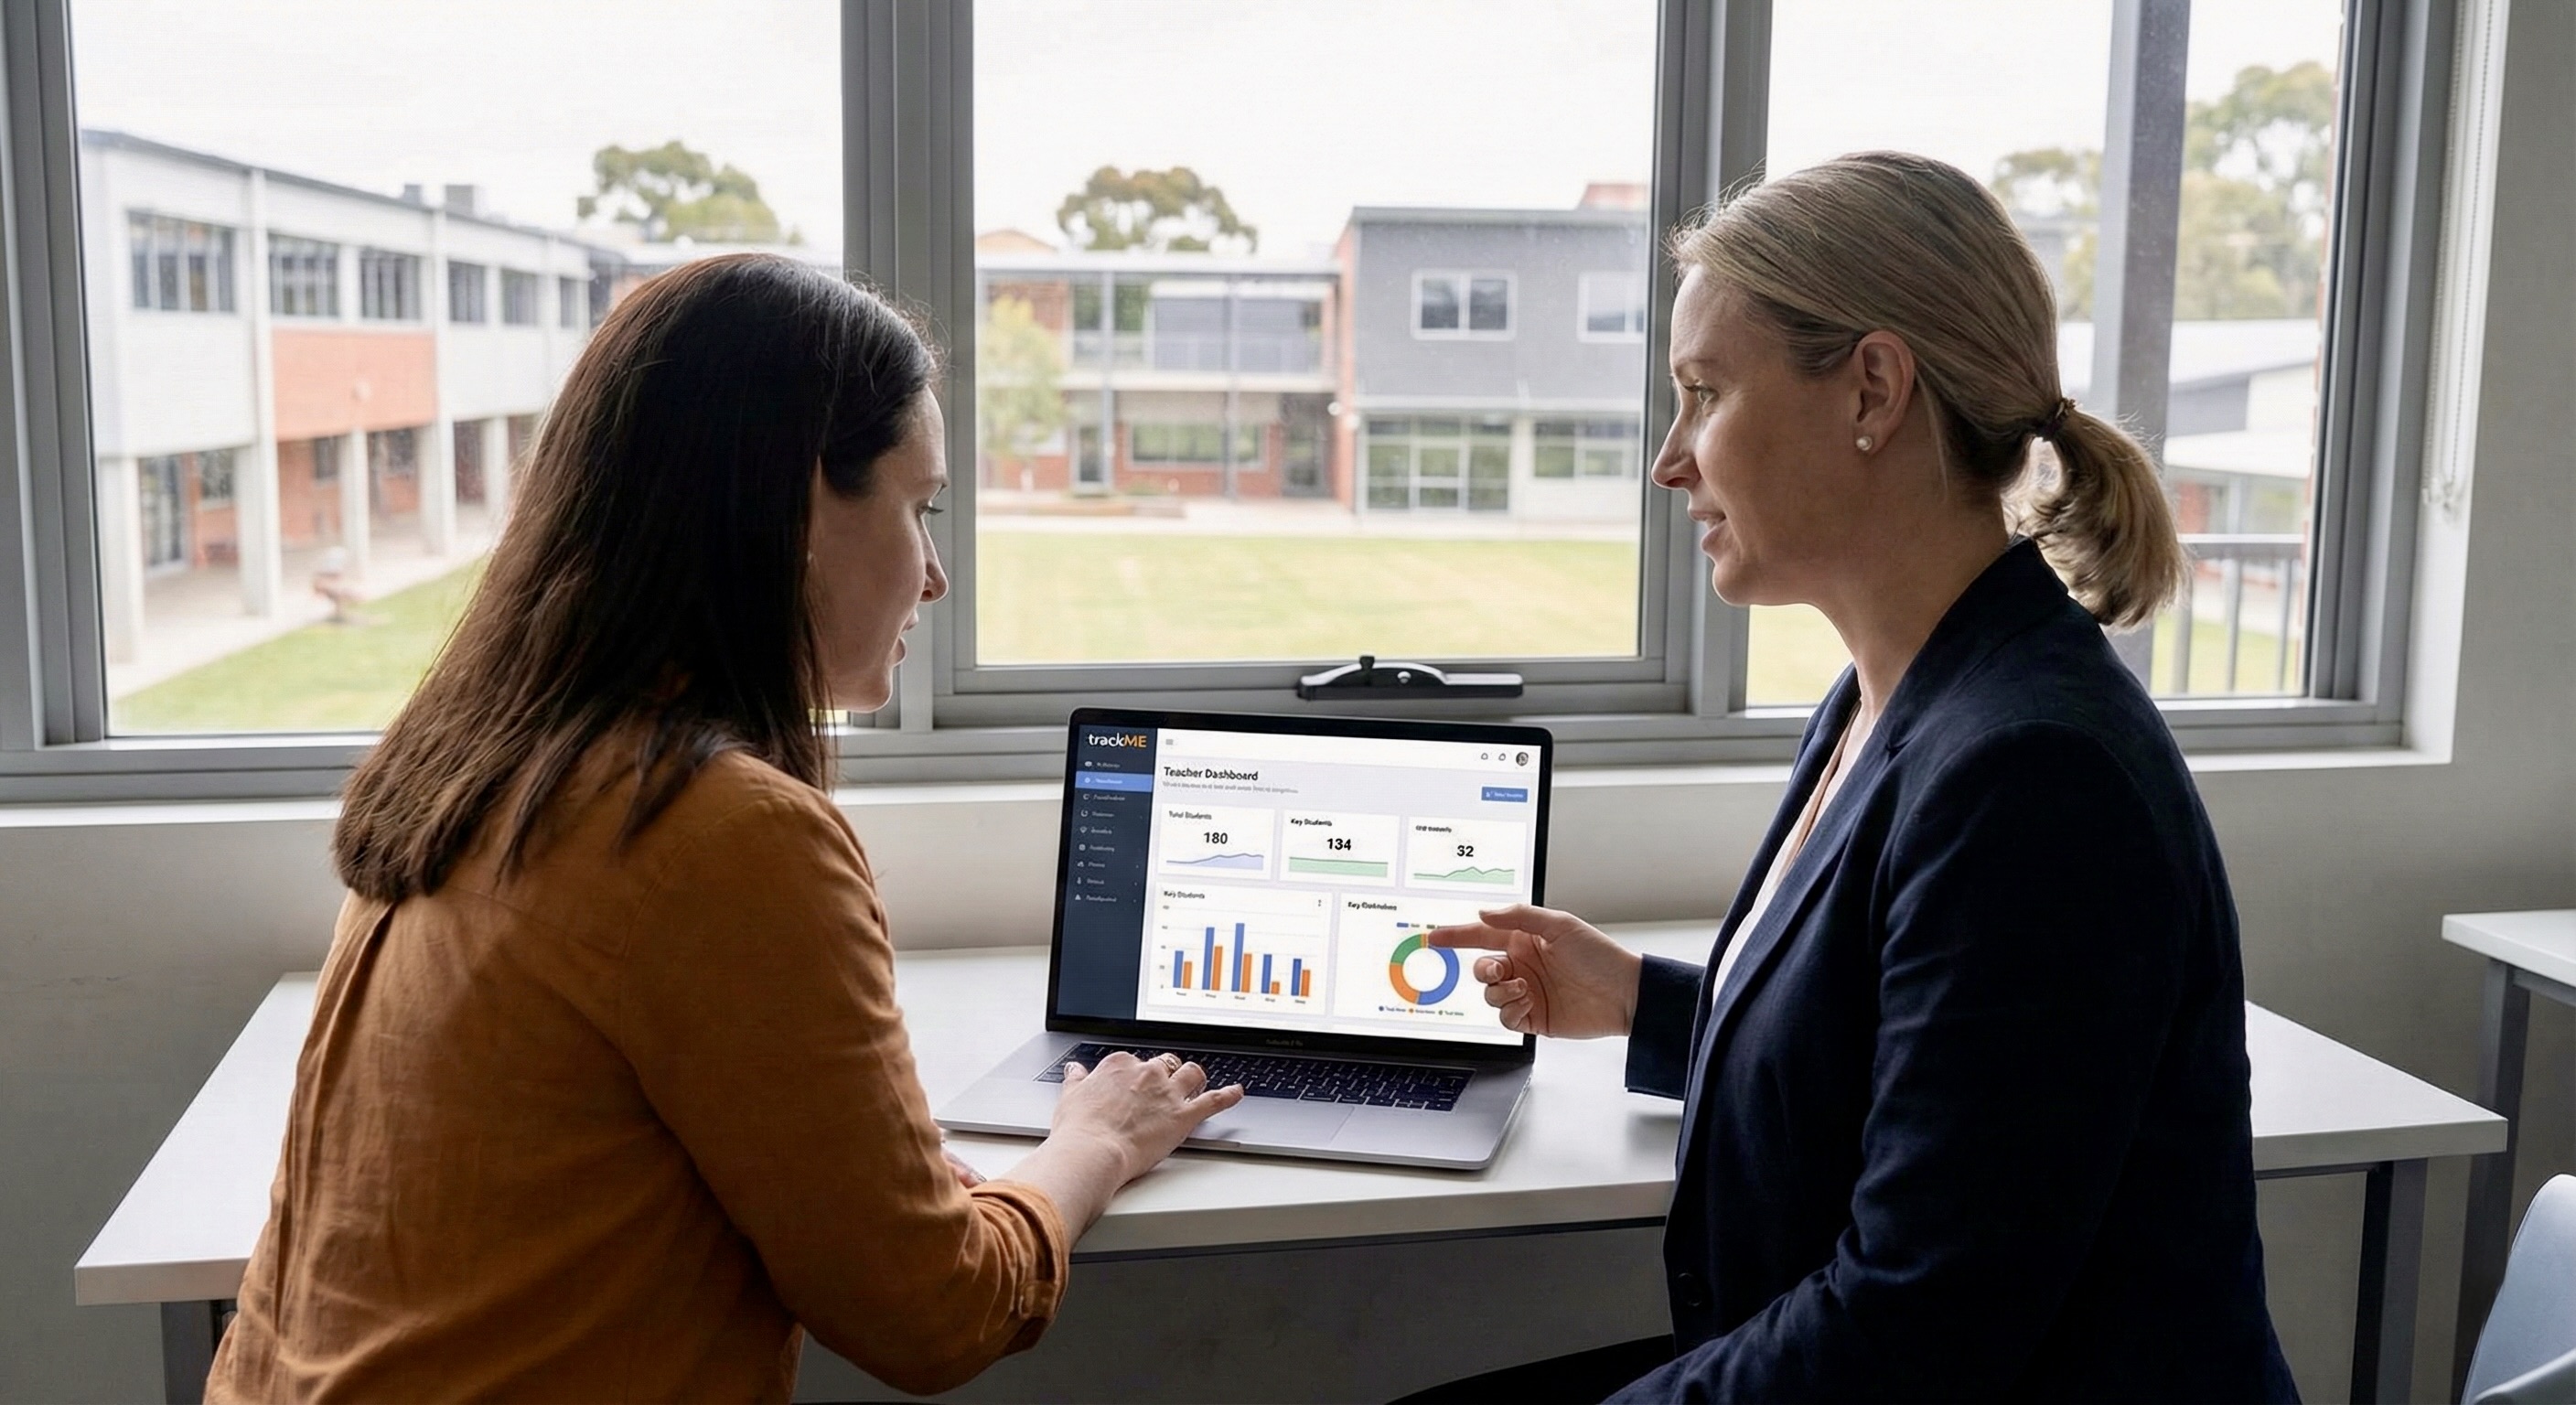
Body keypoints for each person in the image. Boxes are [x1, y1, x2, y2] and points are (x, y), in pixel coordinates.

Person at [207, 254, 1243, 1402]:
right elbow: (935, 1316)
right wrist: (1094, 1143)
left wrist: (872, 1176)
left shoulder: (479, 761)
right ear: (796, 508)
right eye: (918, 508)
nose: (935, 576)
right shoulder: (722, 836)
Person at [1422, 153, 2299, 1401]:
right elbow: (1904, 1070)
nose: (1670, 460)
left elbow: (1918, 1322)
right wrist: (1646, 1004)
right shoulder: (1885, 696)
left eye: (1704, 394)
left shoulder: (2033, 776)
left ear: (1873, 392)